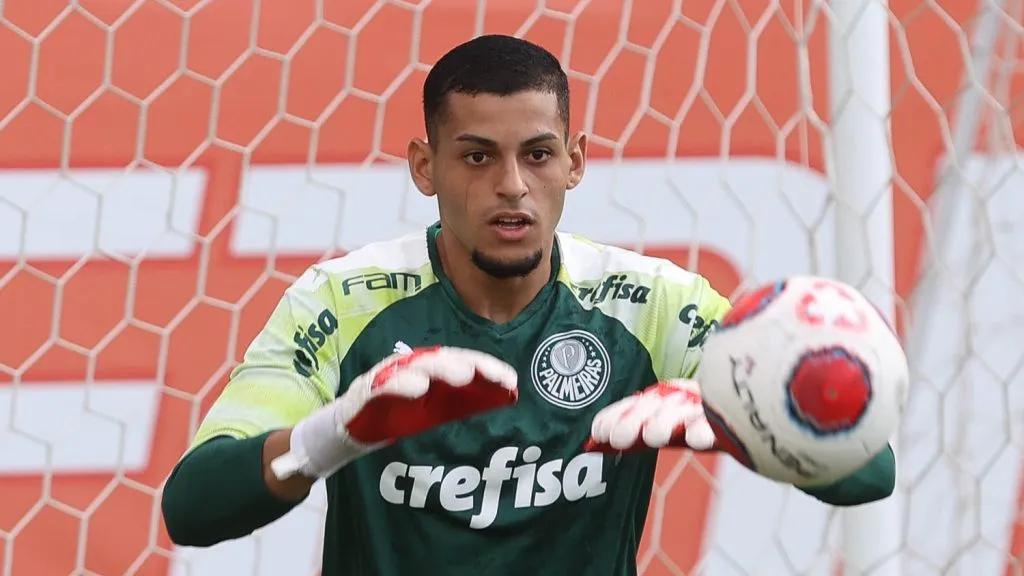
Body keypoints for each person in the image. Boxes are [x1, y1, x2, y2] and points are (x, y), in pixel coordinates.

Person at [160, 34, 896, 575]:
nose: (512, 185)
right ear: (425, 167)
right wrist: (333, 435)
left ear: (575, 161)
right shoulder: (339, 302)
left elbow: (870, 470)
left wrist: (737, 427)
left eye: (538, 154)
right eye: (477, 156)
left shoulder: (649, 304)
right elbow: (191, 508)